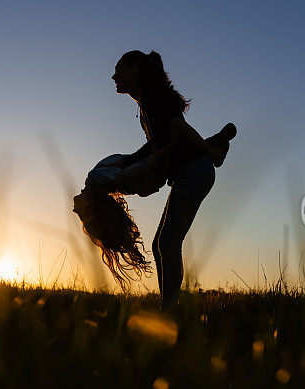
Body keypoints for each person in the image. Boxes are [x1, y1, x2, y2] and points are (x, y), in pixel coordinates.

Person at [74, 49, 235, 309]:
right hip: (189, 170)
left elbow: (176, 128)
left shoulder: (151, 98)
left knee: (168, 242)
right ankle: (168, 305)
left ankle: (169, 309)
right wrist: (130, 160)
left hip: (194, 171)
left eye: (120, 69)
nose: (114, 76)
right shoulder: (147, 102)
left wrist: (208, 154)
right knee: (162, 242)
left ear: (135, 69)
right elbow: (158, 144)